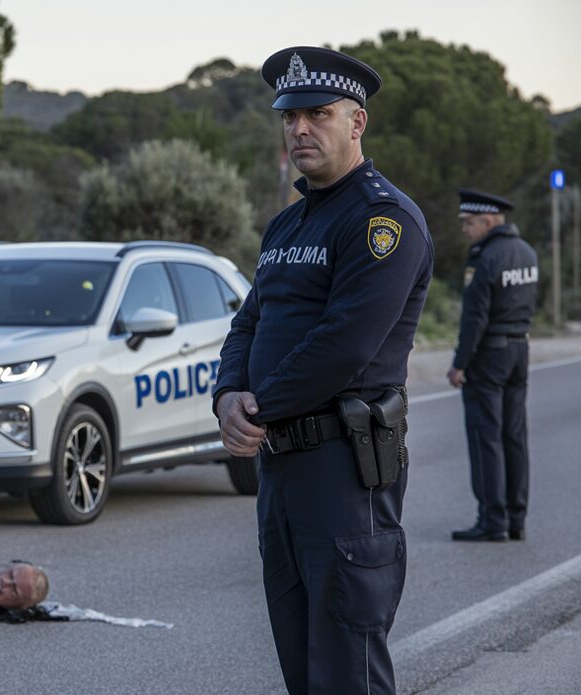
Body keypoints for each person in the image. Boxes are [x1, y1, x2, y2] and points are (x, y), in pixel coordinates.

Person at [213, 46, 433, 694]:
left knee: (347, 667)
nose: (299, 129)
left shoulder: (381, 219)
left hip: (343, 472)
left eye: (317, 114)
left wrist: (259, 406)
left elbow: (346, 345)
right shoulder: (288, 223)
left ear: (356, 121)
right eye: (290, 116)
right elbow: (250, 320)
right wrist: (227, 394)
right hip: (281, 468)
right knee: (302, 663)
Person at [447, 190, 538, 542]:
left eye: (469, 224)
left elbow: (474, 318)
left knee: (486, 437)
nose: (465, 231)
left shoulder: (484, 258)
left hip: (489, 356)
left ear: (488, 222)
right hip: (519, 351)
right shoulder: (526, 252)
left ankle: (492, 520)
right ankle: (517, 519)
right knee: (514, 436)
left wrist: (459, 364)